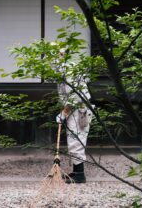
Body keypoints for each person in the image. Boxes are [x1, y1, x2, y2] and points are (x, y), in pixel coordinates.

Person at [55, 48, 93, 184]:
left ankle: (80, 175)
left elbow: (74, 97)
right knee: (73, 141)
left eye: (58, 55)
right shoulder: (62, 70)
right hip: (74, 110)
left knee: (77, 141)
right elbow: (65, 96)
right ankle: (76, 171)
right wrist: (63, 111)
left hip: (79, 111)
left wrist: (63, 113)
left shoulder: (69, 70)